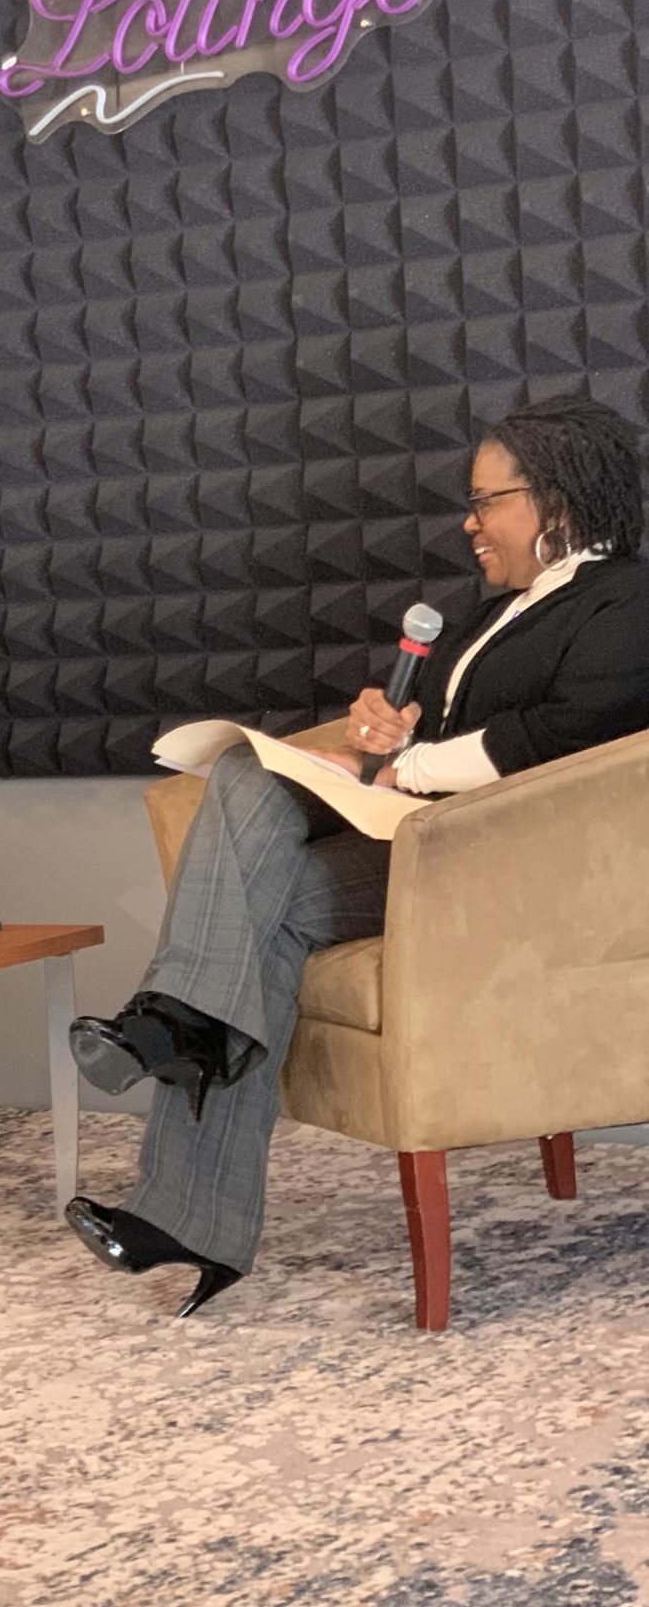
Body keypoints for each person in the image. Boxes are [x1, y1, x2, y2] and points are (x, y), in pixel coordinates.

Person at [66, 395, 649, 1315]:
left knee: (247, 873)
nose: (468, 521)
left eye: (485, 500)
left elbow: (570, 735)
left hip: (500, 872)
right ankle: (182, 1093)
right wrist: (385, 731)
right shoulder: (492, 613)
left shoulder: (630, 601)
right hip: (415, 848)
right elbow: (456, 729)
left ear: (558, 506)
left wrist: (407, 763)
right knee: (245, 801)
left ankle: (176, 1052)